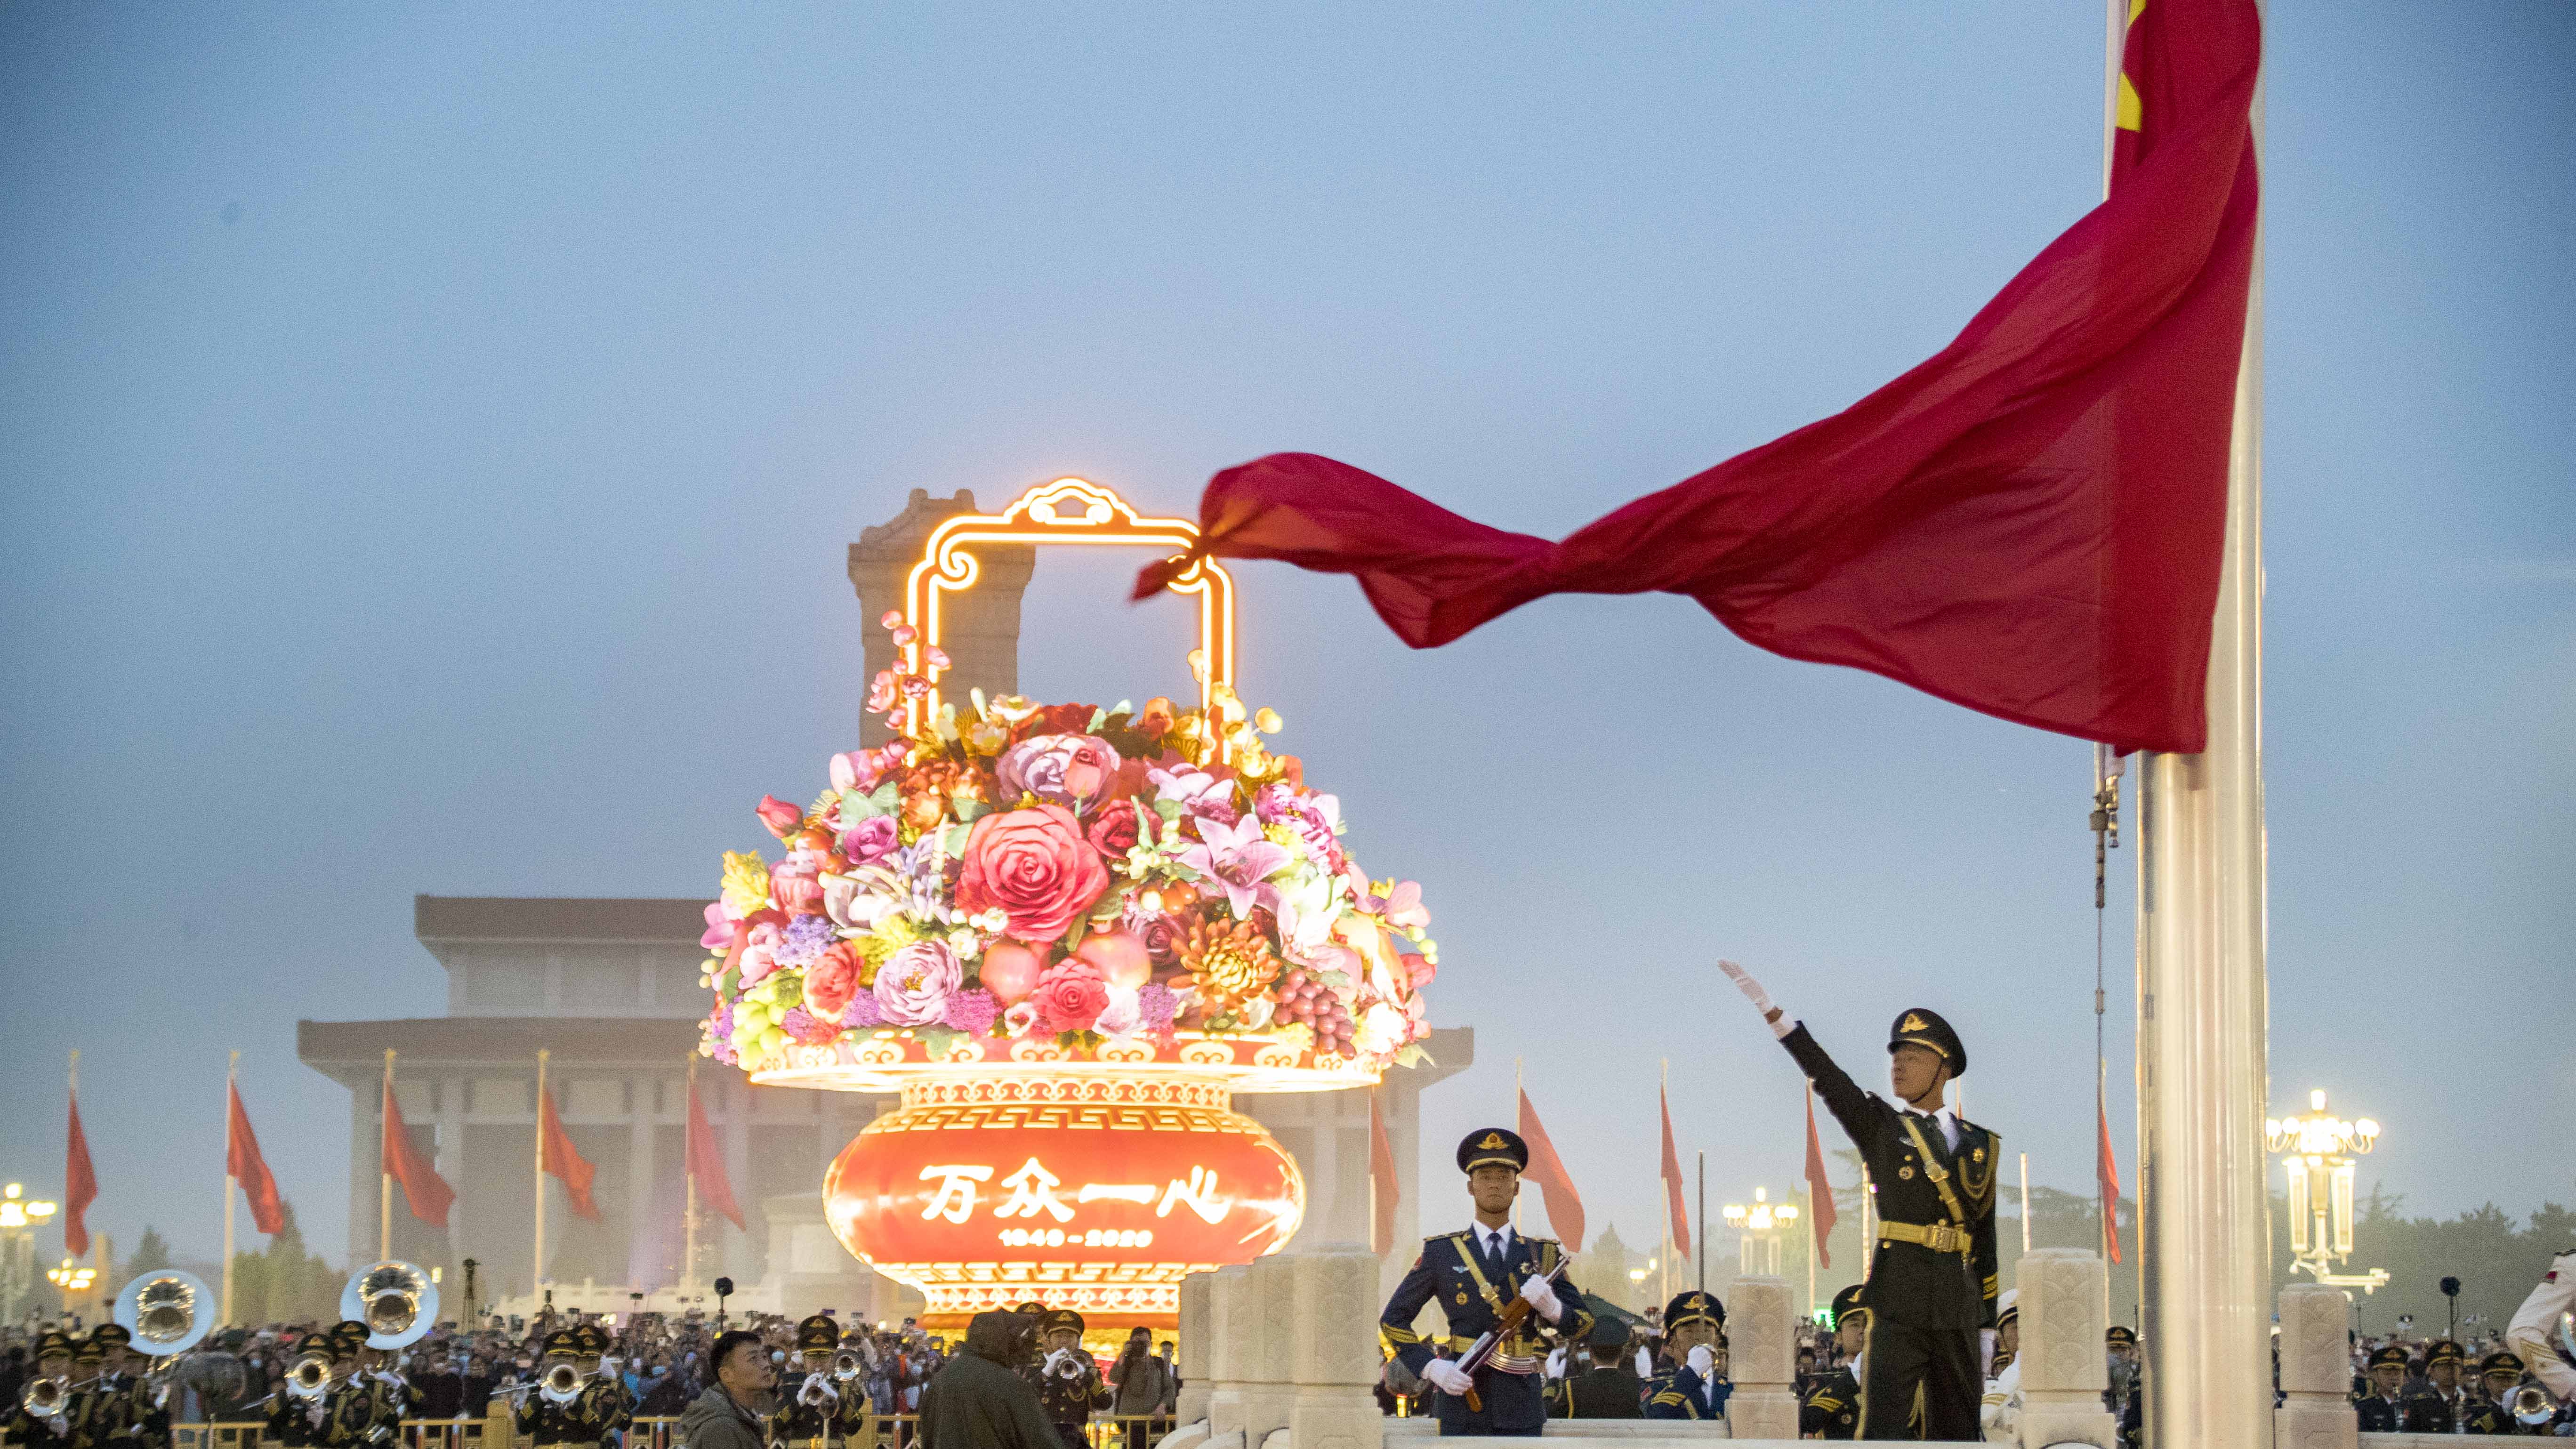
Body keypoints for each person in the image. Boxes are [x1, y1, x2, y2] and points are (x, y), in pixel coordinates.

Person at [1720, 962, 1998, 1441]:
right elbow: (1829, 1079)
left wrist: (1987, 1325)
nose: (1899, 1064)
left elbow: (1984, 1239)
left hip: (1957, 1302)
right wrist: (1778, 1018)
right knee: (1884, 1426)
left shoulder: (1981, 1145)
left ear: (1945, 1068)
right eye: (1896, 1055)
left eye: (1913, 1055)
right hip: (1898, 1299)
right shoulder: (1882, 1127)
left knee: (1959, 1431)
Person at [1378, 1127, 1597, 1436]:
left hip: (1522, 1404)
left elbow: (1585, 1325)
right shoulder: (1442, 1253)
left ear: (1517, 1187)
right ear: (1470, 1186)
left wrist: (1553, 1309)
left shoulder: (1542, 1255)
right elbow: (1393, 1319)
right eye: (1484, 1177)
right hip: (1461, 1398)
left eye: (1503, 1177)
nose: (1494, 1184)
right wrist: (1432, 1368)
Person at [916, 1312, 1063, 1449]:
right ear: (1003, 1341)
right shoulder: (1009, 1383)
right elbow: (1041, 1440)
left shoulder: (940, 1379)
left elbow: (928, 1435)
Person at [775, 1315, 869, 1449]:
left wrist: (836, 1398)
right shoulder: (790, 1382)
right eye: (813, 1358)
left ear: (832, 1359)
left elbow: (854, 1427)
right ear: (804, 1360)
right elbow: (778, 1425)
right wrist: (799, 1401)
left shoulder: (844, 1385)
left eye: (824, 1358)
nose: (818, 1364)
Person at [677, 1331, 773, 1449]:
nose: (766, 1364)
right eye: (753, 1358)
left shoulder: (740, 1415)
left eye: (764, 1357)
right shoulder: (721, 1427)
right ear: (726, 1375)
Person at [1642, 1291, 1728, 1421]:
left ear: (1716, 1339)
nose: (1699, 1337)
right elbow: (1655, 1416)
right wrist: (1692, 1371)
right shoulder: (1657, 1387)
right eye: (1689, 1331)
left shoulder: (1732, 1389)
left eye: (1706, 1330)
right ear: (1673, 1341)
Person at [1030, 1310, 1109, 1449]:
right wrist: (1046, 1372)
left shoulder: (1088, 1371)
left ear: (1078, 1341)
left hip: (1076, 1443)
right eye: (1059, 1336)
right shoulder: (1033, 1369)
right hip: (1042, 1441)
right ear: (1048, 1340)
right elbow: (1023, 1397)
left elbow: (1105, 1403)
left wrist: (1084, 1374)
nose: (1064, 1341)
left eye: (1070, 1336)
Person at [1800, 1285, 1868, 1441]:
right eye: (1854, 1324)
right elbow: (1808, 1421)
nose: (1862, 1331)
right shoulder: (1826, 1382)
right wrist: (1854, 1376)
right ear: (1839, 1337)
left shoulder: (1896, 1378)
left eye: (1867, 1324)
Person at [3, 1330, 84, 1449]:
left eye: (60, 1359)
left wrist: (67, 1433)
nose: (53, 1365)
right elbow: (11, 1438)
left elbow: (96, 1442)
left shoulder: (84, 1399)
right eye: (47, 1360)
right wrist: (35, 1418)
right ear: (40, 1367)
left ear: (73, 1365)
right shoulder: (31, 1397)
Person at [1552, 1320, 1642, 1419]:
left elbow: (1551, 1415)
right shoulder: (1638, 1387)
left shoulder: (1572, 1388)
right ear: (1621, 1354)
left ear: (1590, 1354)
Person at [1107, 1326, 1174, 1449]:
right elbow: (1114, 1378)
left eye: (1144, 1343)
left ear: (1151, 1344)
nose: (1140, 1346)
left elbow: (1170, 1389)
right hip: (1129, 1423)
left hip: (1154, 1423)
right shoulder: (1126, 1363)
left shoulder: (1158, 1364)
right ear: (1131, 1344)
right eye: (1137, 1343)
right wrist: (1123, 1356)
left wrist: (1163, 1406)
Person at [2463, 1351, 2550, 1436]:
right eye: (2499, 1379)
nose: (2506, 1383)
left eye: (2511, 1379)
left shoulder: (2528, 1408)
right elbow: (2472, 1431)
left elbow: (2549, 1438)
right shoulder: (2475, 1409)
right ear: (2487, 1382)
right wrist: (2503, 1411)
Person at [1979, 1291, 2021, 1442]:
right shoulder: (1989, 1381)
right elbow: (1986, 1415)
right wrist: (2020, 1366)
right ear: (2001, 1337)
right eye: (2016, 1327)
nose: (2024, 1333)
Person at [2403, 1340, 2470, 1433]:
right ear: (2432, 1372)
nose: (2450, 1372)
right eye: (2443, 1368)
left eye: (2454, 1367)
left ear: (2461, 1370)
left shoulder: (2469, 1403)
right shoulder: (2419, 1405)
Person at [2355, 1344, 2409, 1432]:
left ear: (2404, 1376)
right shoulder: (2365, 1408)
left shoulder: (2412, 1405)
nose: (2393, 1377)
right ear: (2375, 1376)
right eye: (2387, 1373)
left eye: (2398, 1373)